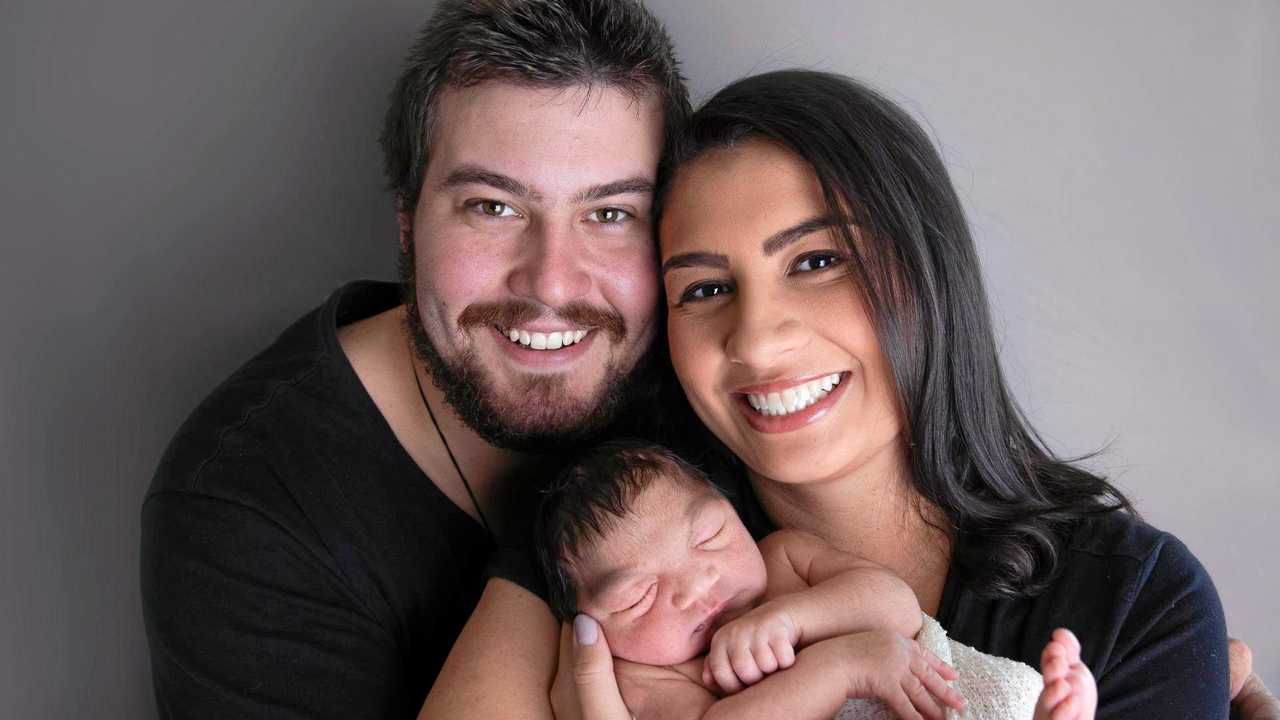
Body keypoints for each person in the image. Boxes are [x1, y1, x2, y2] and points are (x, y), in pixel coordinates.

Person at [434, 69, 1279, 720]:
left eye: (816, 261)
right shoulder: (624, 529)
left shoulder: (1131, 602)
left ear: (925, 270)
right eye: (703, 289)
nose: (757, 338)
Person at [139, 1, 690, 718]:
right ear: (408, 221)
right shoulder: (248, 510)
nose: (552, 282)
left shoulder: (703, 376)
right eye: (493, 207)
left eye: (611, 213)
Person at [537, 439, 1105, 720]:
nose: (695, 586)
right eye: (640, 596)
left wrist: (792, 618)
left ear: (732, 511)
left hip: (940, 697)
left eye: (709, 537)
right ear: (589, 625)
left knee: (1004, 697)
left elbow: (896, 610)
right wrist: (842, 665)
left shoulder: (784, 561)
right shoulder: (641, 683)